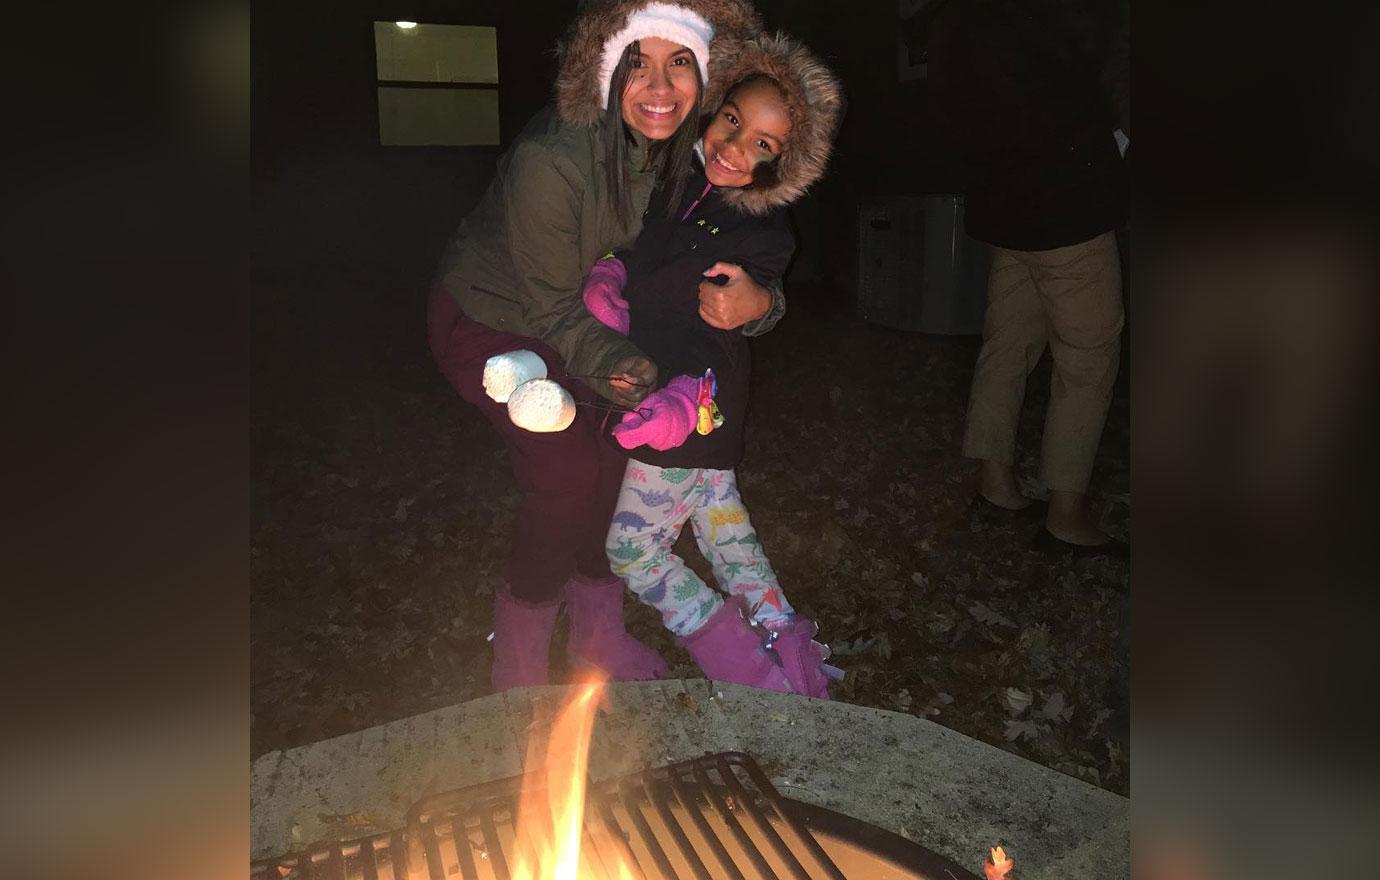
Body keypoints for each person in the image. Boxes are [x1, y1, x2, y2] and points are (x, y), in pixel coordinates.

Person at [426, 0, 782, 692]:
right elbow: (551, 308)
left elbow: (737, 250)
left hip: (587, 324)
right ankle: (519, 665)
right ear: (604, 68)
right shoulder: (552, 160)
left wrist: (765, 303)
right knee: (566, 477)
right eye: (637, 64)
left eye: (679, 64)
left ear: (705, 77)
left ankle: (598, 640)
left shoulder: (687, 151)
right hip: (495, 321)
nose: (658, 88)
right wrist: (633, 370)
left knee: (614, 465)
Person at [582, 33, 845, 697]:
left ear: (783, 166)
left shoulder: (764, 227)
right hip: (703, 416)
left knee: (636, 551)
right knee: (728, 540)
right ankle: (796, 666)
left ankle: (748, 674)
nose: (736, 147)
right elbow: (644, 252)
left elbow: (746, 302)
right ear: (717, 104)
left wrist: (756, 301)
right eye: (735, 121)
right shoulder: (677, 179)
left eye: (764, 145)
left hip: (687, 408)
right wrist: (613, 276)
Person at [929, 0, 1129, 555]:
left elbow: (956, 112)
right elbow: (1085, 68)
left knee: (1008, 344)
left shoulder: (964, 21)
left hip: (1006, 206)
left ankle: (995, 480)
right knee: (1087, 358)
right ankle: (1066, 511)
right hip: (1067, 204)